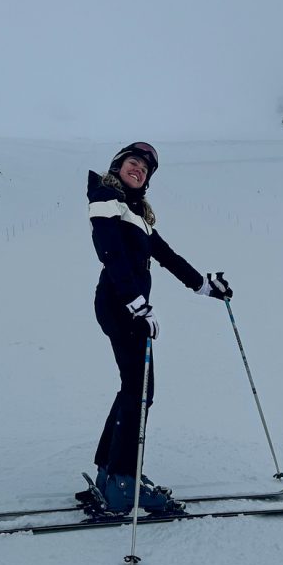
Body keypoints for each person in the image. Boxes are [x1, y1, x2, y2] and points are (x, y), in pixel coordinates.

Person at [87, 141, 233, 512]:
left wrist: (203, 285)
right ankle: (122, 480)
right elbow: (110, 252)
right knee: (140, 389)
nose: (139, 169)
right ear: (118, 165)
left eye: (146, 169)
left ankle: (111, 471)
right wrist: (136, 303)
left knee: (135, 388)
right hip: (121, 304)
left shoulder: (135, 212)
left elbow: (165, 255)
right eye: (133, 162)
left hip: (127, 305)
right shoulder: (107, 198)